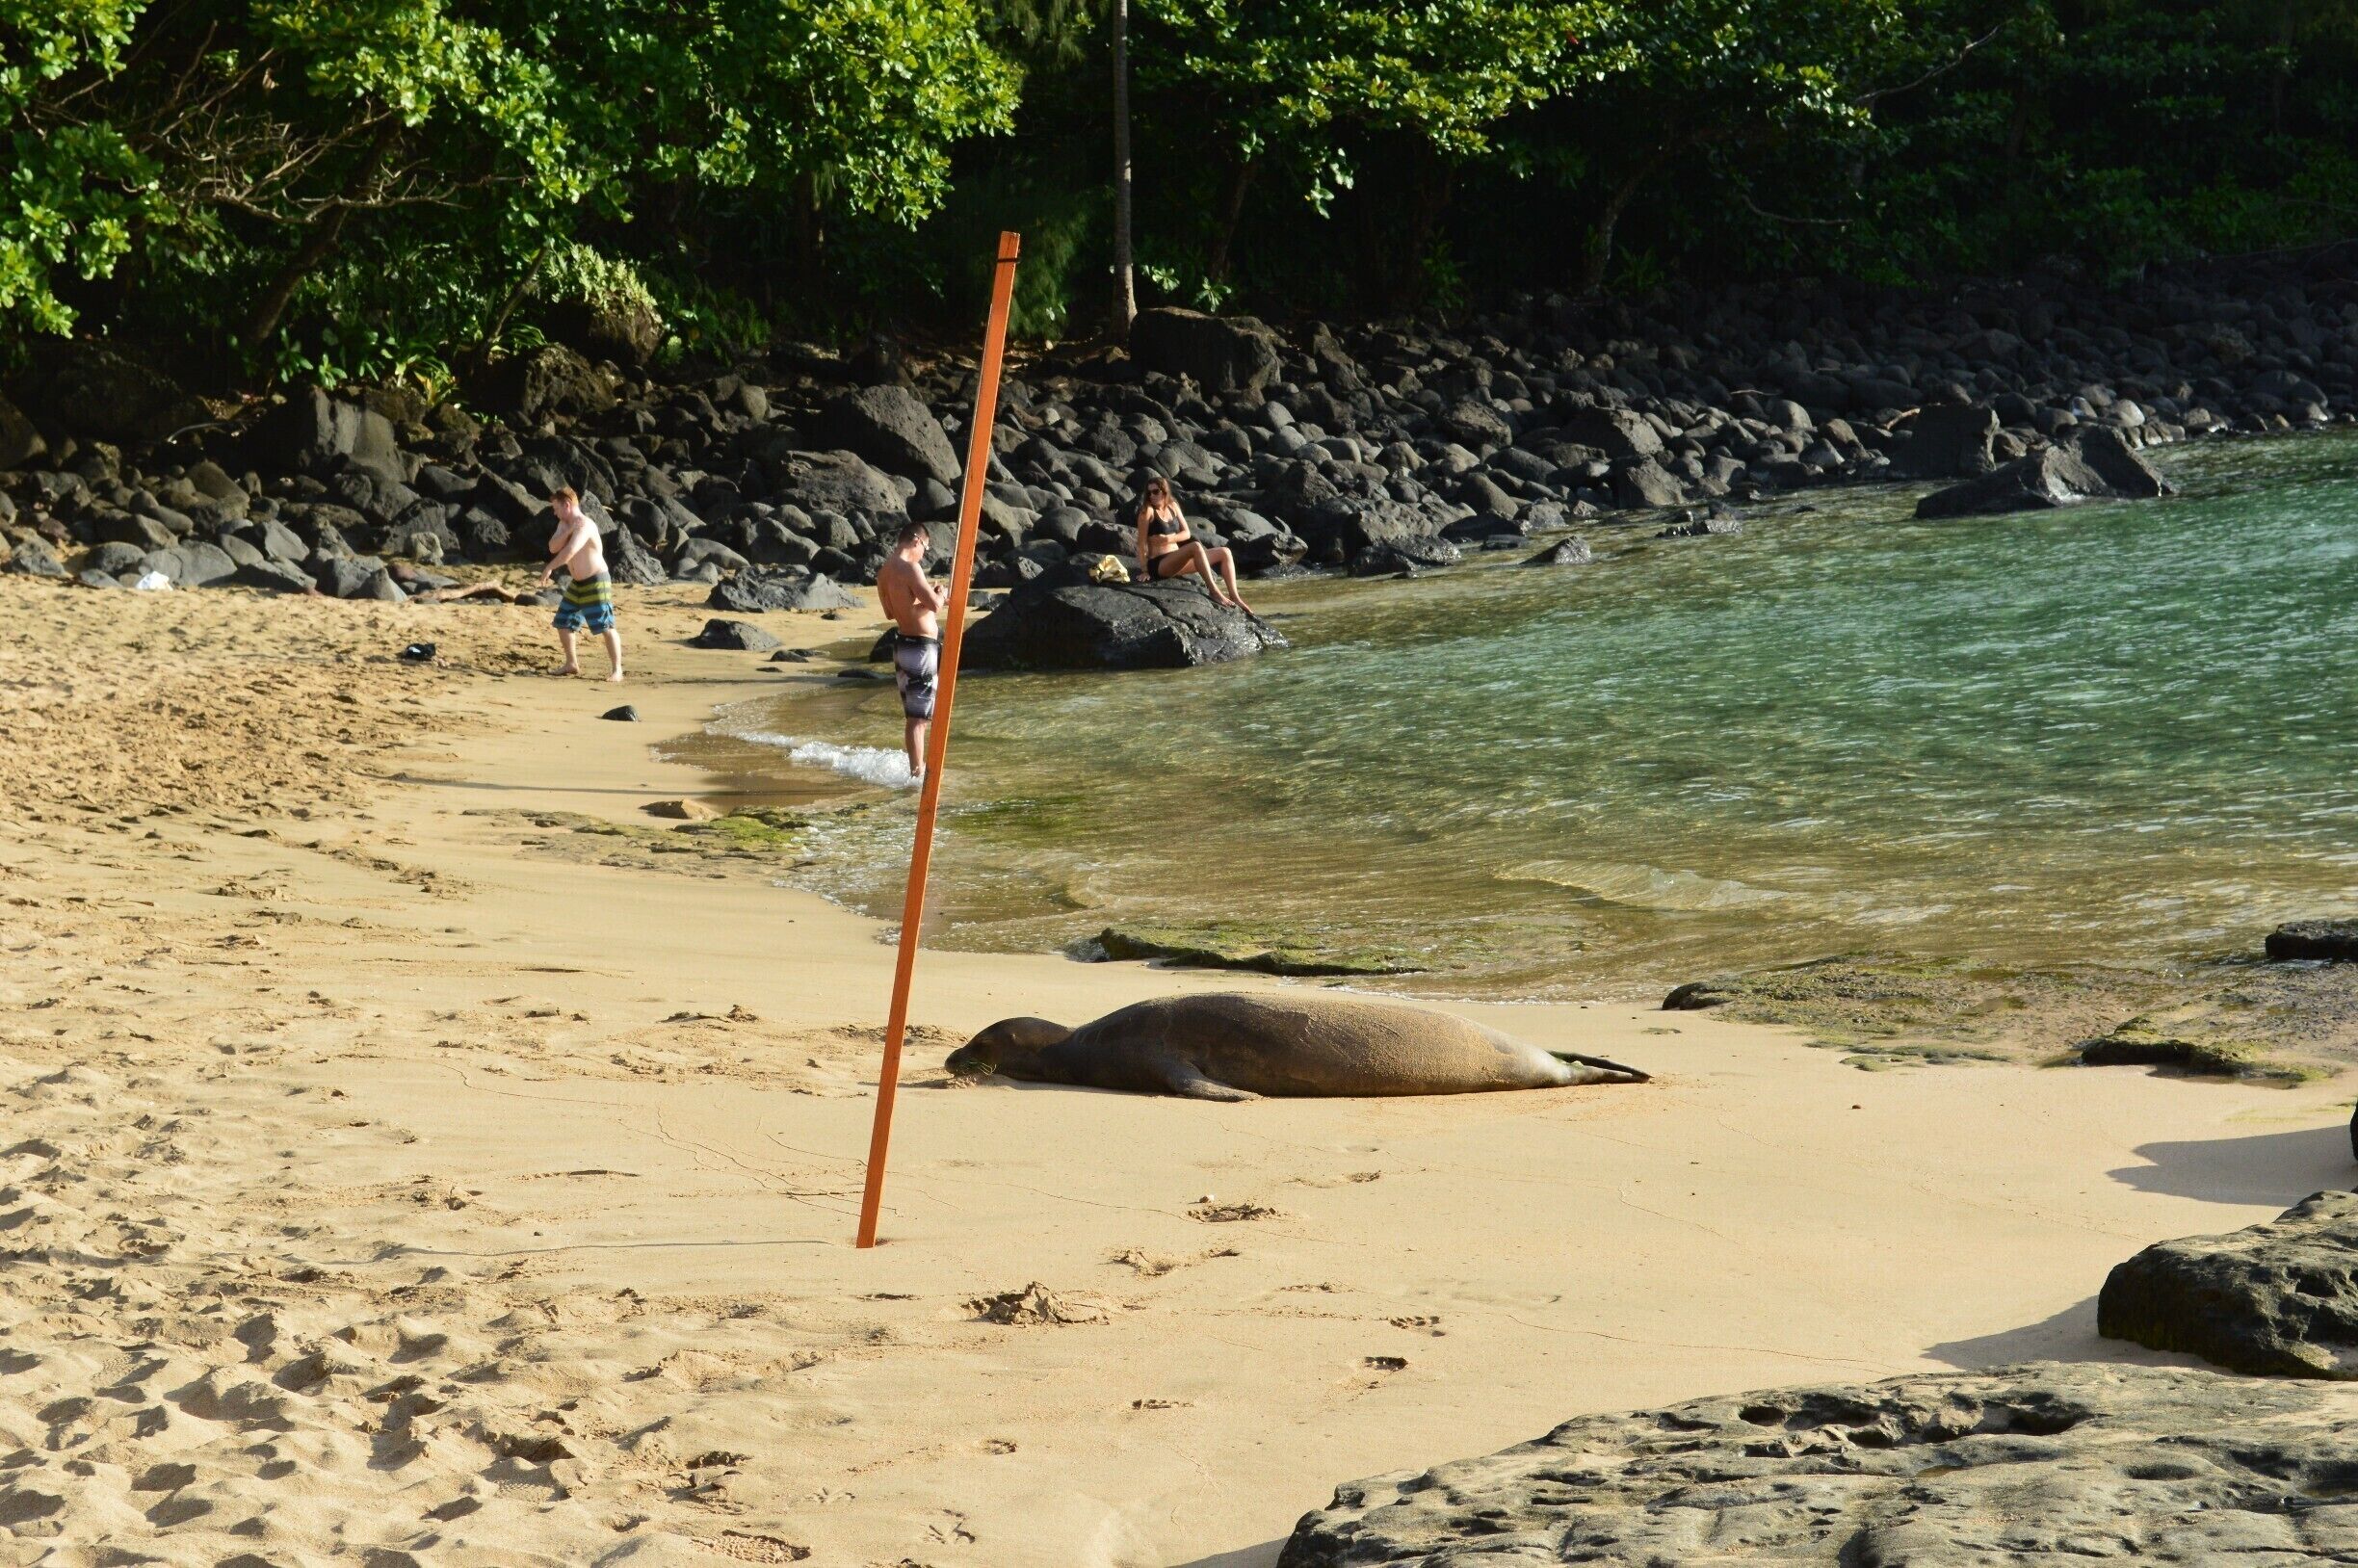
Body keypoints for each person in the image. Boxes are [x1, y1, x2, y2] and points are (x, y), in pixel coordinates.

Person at [876, 520, 944, 786]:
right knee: (918, 718)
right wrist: (940, 592)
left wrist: (918, 605)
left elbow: (891, 613)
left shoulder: (884, 572)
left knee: (914, 716)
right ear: (916, 540)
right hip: (919, 648)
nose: (924, 554)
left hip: (902, 644)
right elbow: (936, 605)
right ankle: (918, 776)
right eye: (925, 547)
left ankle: (917, 769)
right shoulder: (910, 568)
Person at [538, 486, 623, 682]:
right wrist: (566, 529)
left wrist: (549, 568)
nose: (554, 512)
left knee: (605, 625)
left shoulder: (585, 525)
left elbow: (570, 551)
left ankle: (617, 669)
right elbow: (553, 547)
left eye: (556, 507)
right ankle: (571, 664)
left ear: (567, 505)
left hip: (596, 580)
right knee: (563, 621)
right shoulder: (564, 524)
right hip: (577, 583)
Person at [1136, 476, 1252, 612]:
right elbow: (1141, 543)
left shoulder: (1173, 506)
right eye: (1148, 493)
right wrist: (1144, 570)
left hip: (1177, 561)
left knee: (1225, 552)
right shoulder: (1147, 512)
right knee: (1195, 547)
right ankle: (1214, 591)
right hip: (1159, 565)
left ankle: (1235, 596)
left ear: (1164, 491)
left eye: (1155, 492)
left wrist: (1168, 539)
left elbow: (1187, 533)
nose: (1151, 496)